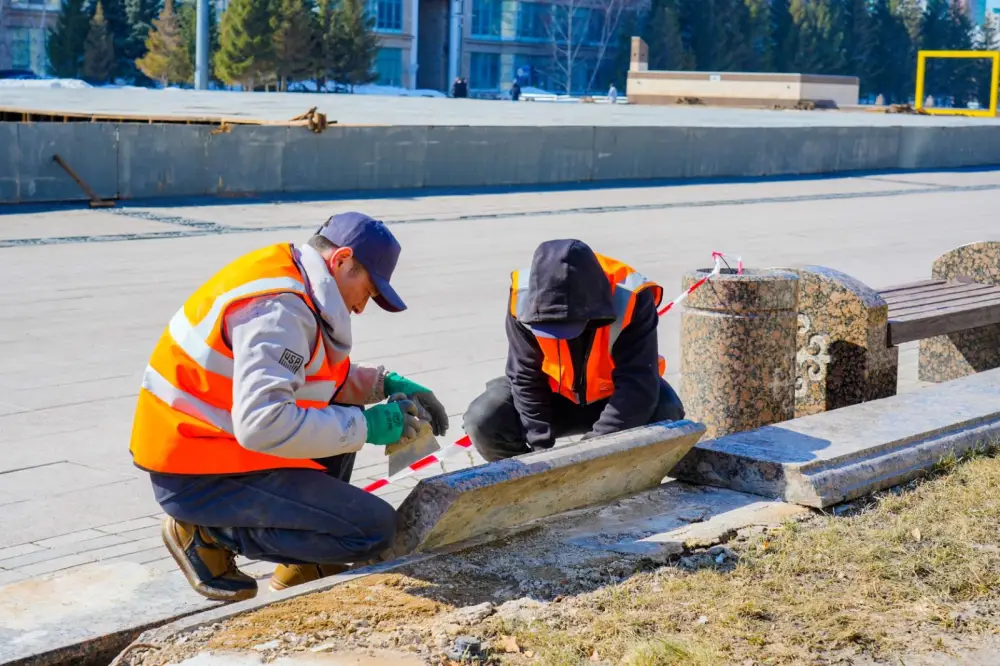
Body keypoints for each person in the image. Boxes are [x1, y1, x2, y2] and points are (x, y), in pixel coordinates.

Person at [129, 212, 449, 601]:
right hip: (197, 473)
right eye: (368, 291)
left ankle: (305, 562)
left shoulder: (292, 278)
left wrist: (381, 384)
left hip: (217, 448)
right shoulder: (280, 309)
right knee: (372, 529)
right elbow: (263, 423)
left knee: (337, 424)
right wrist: (367, 426)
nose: (363, 307)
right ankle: (203, 531)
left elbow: (308, 378)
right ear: (342, 260)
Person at [463, 239, 684, 462]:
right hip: (553, 397)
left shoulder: (632, 296)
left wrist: (588, 455)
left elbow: (637, 383)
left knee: (667, 412)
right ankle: (525, 485)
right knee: (483, 418)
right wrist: (541, 454)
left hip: (614, 398)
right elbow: (525, 376)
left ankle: (624, 480)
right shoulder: (523, 298)